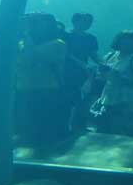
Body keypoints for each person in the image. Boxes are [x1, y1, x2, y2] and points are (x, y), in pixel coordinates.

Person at [16, 12, 68, 146]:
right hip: (24, 89)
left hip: (46, 90)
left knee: (43, 129)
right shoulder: (23, 43)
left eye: (37, 22)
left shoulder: (57, 43)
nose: (34, 24)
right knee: (26, 130)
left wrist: (27, 32)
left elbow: (31, 56)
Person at [92, 31, 133, 138]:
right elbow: (104, 78)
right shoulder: (110, 57)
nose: (126, 45)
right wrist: (101, 73)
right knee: (108, 133)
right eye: (124, 42)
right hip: (110, 100)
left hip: (131, 104)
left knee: (130, 136)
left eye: (130, 43)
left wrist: (121, 78)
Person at [62, 13, 101, 133]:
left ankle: (80, 125)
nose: (87, 24)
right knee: (66, 99)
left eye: (89, 22)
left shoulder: (91, 38)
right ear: (75, 21)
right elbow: (65, 53)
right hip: (65, 71)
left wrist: (103, 63)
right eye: (84, 21)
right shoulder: (65, 35)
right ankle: (64, 126)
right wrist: (81, 64)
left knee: (82, 99)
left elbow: (93, 55)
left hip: (82, 73)